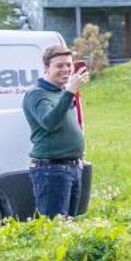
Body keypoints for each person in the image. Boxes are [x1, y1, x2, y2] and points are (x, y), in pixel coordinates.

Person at [24, 44, 88, 219]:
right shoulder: (37, 94)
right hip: (52, 170)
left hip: (73, 167)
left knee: (69, 225)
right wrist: (70, 92)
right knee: (56, 229)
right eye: (59, 65)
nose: (66, 69)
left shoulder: (61, 92)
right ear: (46, 68)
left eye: (69, 64)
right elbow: (49, 122)